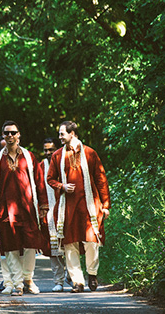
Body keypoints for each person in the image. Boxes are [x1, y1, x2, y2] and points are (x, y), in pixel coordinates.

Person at [0, 121, 48, 296]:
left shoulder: (29, 156)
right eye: (7, 133)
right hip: (5, 211)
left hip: (28, 209)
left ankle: (28, 278)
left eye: (13, 133)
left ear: (19, 134)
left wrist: (43, 205)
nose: (10, 136)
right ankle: (18, 284)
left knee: (30, 246)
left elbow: (39, 181)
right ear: (3, 135)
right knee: (10, 248)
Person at [47, 121, 110, 293]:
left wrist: (105, 205)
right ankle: (77, 282)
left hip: (89, 206)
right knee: (70, 244)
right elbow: (50, 178)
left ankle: (92, 273)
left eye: (62, 134)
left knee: (91, 241)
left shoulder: (90, 153)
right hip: (66, 207)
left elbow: (101, 179)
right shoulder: (57, 156)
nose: (59, 137)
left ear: (72, 134)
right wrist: (62, 186)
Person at [39, 137, 68, 292]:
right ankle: (59, 281)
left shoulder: (64, 163)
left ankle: (72, 275)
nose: (49, 153)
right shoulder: (40, 167)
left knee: (69, 245)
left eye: (51, 149)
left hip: (64, 209)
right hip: (48, 212)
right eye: (46, 150)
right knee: (53, 249)